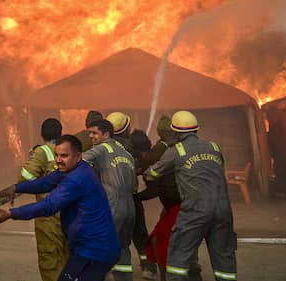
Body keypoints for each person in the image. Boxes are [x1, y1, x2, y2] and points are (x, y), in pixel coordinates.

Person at [0, 135, 120, 281]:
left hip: (94, 251)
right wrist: (16, 188)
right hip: (89, 248)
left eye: (64, 156)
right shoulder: (72, 169)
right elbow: (45, 183)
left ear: (78, 156)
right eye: (56, 155)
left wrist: (11, 213)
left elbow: (49, 205)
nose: (58, 160)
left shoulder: (76, 179)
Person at [144, 111, 236, 281]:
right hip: (223, 210)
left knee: (178, 255)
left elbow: (153, 173)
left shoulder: (176, 150)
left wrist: (145, 171)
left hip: (196, 210)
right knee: (224, 257)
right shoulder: (214, 147)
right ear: (195, 130)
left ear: (176, 133)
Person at [138, 116, 202, 281]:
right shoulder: (188, 149)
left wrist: (136, 195)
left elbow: (154, 183)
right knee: (185, 240)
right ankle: (192, 268)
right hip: (186, 202)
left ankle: (169, 274)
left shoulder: (165, 151)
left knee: (162, 242)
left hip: (178, 205)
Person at [107, 112, 159, 280]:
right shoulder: (131, 147)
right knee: (140, 233)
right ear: (126, 128)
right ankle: (148, 267)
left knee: (115, 236)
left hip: (112, 200)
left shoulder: (104, 147)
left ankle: (112, 269)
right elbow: (141, 167)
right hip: (131, 197)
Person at [15, 118, 68, 281]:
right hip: (69, 214)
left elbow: (25, 179)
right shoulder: (69, 150)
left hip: (48, 216)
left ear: (42, 134)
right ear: (60, 133)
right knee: (67, 257)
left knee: (50, 259)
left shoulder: (42, 151)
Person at [84, 119, 137, 281]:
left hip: (111, 208)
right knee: (122, 250)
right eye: (90, 133)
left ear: (106, 134)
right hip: (130, 210)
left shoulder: (101, 149)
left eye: (94, 133)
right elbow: (135, 186)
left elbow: (77, 161)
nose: (91, 136)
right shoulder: (126, 154)